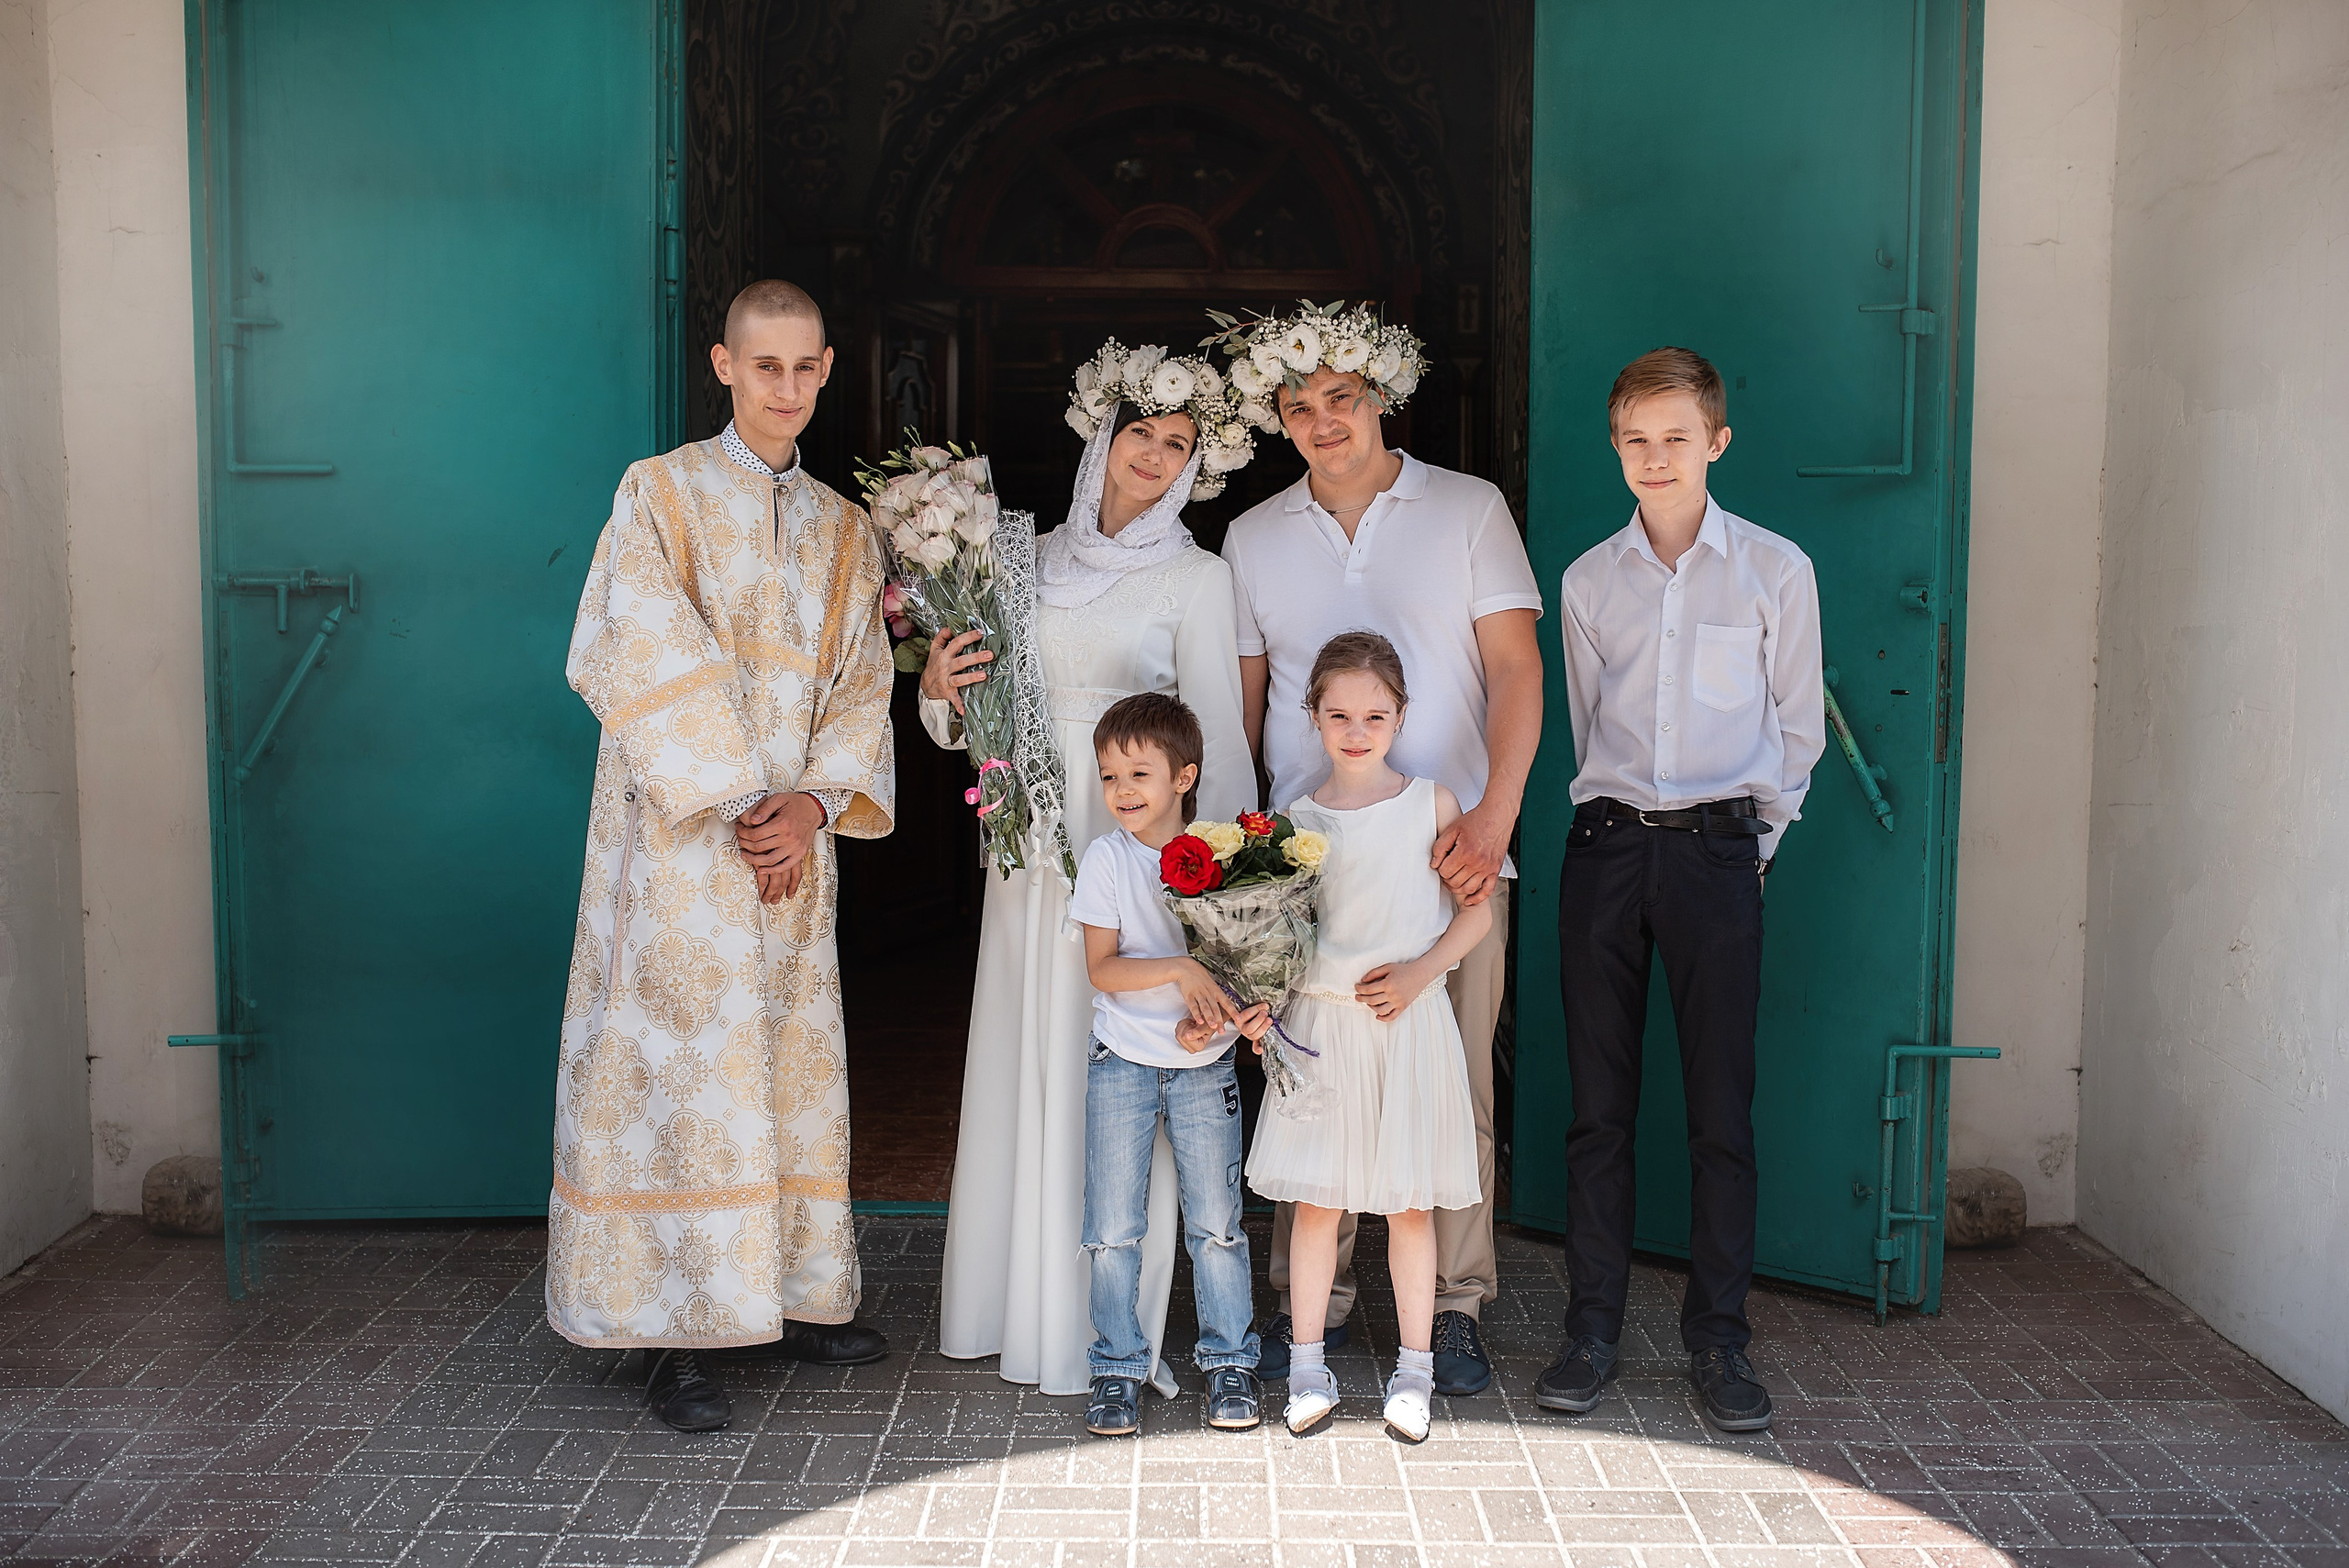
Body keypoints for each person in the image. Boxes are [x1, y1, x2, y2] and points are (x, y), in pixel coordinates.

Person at [548, 279, 898, 1432]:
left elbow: (861, 681)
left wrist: (811, 804)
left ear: (828, 369)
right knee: (680, 1075)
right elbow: (626, 640)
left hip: (790, 845)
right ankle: (673, 1330)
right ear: (723, 365)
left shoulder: (847, 526)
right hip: (681, 844)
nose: (786, 388)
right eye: (765, 367)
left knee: (787, 1060)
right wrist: (746, 794)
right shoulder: (659, 494)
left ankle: (791, 1293)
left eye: (805, 368)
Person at [1216, 304, 1542, 1396]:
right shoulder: (1253, 535)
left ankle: (1450, 1310)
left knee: (1452, 1089)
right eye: (1297, 404)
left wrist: (1492, 818)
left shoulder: (1467, 507)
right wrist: (1246, 880)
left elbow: (1516, 672)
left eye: (1340, 397)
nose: (1322, 420)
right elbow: (1241, 712)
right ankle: (1310, 1309)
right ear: (1276, 416)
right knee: (1308, 1075)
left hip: (1448, 854)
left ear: (1381, 396)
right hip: (1312, 866)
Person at [921, 341, 1258, 1396]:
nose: (1154, 457)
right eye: (1140, 434)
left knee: (1125, 1061)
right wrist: (935, 680)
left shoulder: (1200, 577)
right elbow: (965, 720)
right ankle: (1006, 1303)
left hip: (1138, 850)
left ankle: (1105, 1332)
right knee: (1031, 1051)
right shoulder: (1016, 556)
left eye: (1178, 443)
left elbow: (1222, 748)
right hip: (1028, 847)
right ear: (1099, 434)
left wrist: (1219, 908)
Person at [1535, 347, 1824, 1433]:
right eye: (1635, 440)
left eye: (1676, 437)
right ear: (1614, 449)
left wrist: (1748, 846)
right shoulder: (1586, 579)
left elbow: (1797, 728)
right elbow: (1584, 716)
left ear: (1716, 441)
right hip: (1608, 850)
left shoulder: (1772, 571)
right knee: (1598, 1114)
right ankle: (1591, 1329)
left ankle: (1718, 1342)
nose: (1656, 458)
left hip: (1716, 852)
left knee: (1719, 1113)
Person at [1246, 632, 1489, 1442]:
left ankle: (1414, 1373)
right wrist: (1264, 1008)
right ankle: (1308, 1368)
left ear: (1401, 715)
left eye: (1375, 714)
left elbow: (1477, 915)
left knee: (1410, 1207)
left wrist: (1422, 973)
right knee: (1319, 1204)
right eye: (1340, 714)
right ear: (1312, 716)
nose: (1357, 729)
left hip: (1408, 1027)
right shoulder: (1295, 823)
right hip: (1324, 1027)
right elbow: (1280, 937)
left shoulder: (1434, 803)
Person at [1069, 694, 1271, 1438]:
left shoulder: (1219, 858)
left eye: (1139, 772)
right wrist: (1178, 970)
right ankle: (1117, 1367)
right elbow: (1103, 969)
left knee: (1217, 1224)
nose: (1123, 790)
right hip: (1121, 1061)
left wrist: (1214, 1009)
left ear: (1184, 776)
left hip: (1205, 1064)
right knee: (1114, 1225)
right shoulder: (1107, 859)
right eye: (1109, 775)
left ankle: (1229, 1362)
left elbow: (1239, 962)